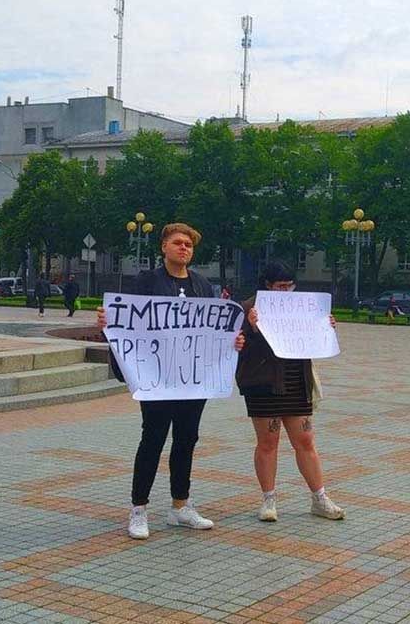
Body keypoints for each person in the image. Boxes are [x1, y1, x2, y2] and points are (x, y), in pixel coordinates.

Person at [96, 223, 246, 540]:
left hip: (192, 381)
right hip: (158, 380)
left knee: (186, 440)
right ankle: (139, 509)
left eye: (189, 245)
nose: (184, 248)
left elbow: (214, 331)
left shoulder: (203, 286)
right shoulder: (146, 282)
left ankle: (180, 505)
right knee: (152, 440)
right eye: (178, 243)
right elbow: (127, 323)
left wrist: (232, 343)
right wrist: (107, 324)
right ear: (163, 246)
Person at [237, 260, 344, 523]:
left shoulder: (304, 306)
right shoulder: (248, 308)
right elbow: (235, 348)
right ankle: (268, 500)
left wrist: (325, 326)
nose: (285, 291)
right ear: (267, 285)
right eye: (280, 286)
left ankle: (320, 498)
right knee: (268, 442)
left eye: (289, 286)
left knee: (305, 440)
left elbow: (315, 337)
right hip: (263, 382)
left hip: (296, 378)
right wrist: (250, 329)